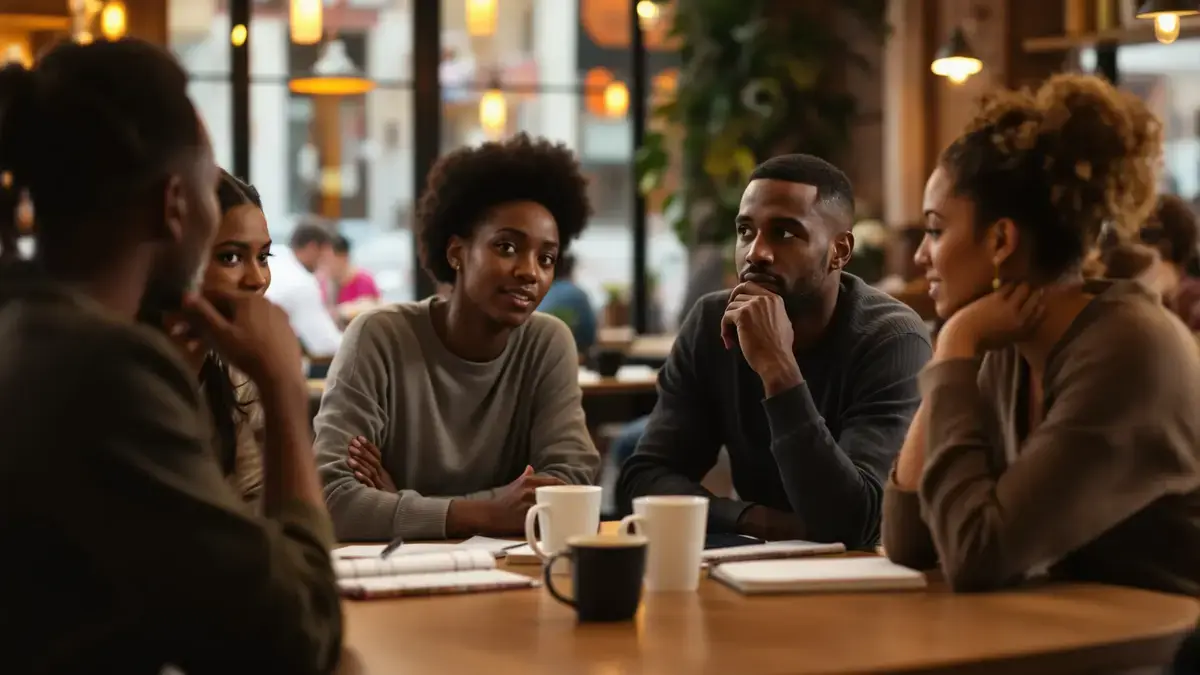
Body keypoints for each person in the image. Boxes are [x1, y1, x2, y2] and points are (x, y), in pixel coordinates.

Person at [0, 39, 341, 673]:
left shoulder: (24, 327)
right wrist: (285, 392)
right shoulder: (102, 369)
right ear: (175, 205)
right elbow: (298, 635)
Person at [882, 74, 1200, 595]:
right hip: (1072, 639)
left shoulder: (1130, 350)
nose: (920, 256)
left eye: (936, 230)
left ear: (1002, 239)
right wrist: (959, 344)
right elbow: (907, 540)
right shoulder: (1002, 340)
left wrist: (955, 345)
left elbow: (975, 554)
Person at [616, 155, 931, 549]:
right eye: (746, 231)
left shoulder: (893, 339)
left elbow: (858, 522)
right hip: (753, 569)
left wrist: (778, 369)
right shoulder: (711, 322)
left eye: (784, 234)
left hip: (867, 587)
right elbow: (642, 480)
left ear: (840, 251)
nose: (756, 253)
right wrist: (755, 519)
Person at [314, 132, 601, 541]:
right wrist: (487, 512)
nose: (530, 271)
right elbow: (331, 500)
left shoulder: (547, 343)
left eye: (546, 258)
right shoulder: (379, 337)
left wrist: (406, 506)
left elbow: (569, 487)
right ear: (456, 252)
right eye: (506, 247)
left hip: (513, 579)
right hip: (391, 581)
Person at [159, 169, 271, 508]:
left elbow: (261, 512)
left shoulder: (233, 373)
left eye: (264, 257)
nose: (257, 279)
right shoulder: (127, 374)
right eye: (231, 257)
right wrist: (285, 393)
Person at [266, 220, 343, 357]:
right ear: (312, 247)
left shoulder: (276, 260)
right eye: (325, 253)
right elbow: (324, 344)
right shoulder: (300, 283)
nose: (325, 261)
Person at [536, 253, 597, 356]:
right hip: (574, 356)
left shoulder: (539, 293)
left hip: (539, 356)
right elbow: (590, 335)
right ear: (571, 270)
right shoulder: (578, 295)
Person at [328, 233, 381, 306]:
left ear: (344, 256)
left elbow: (376, 307)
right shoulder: (325, 284)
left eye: (329, 258)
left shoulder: (364, 281)